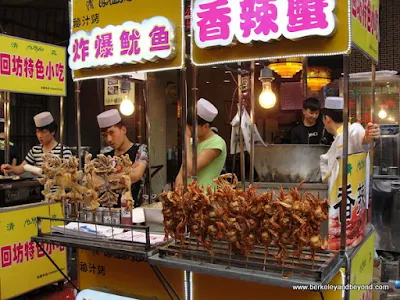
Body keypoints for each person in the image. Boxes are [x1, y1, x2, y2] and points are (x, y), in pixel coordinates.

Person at [320, 97, 380, 182]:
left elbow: (358, 136)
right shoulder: (338, 138)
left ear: (327, 118)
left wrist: (368, 137)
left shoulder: (351, 131)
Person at [97, 109, 148, 207]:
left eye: (111, 133)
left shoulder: (140, 149)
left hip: (131, 209)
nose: (109, 139)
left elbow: (136, 175)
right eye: (105, 135)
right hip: (105, 210)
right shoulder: (104, 153)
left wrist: (106, 180)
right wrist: (126, 174)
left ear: (123, 130)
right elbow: (95, 181)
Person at [175, 98, 227, 189]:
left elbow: (191, 170)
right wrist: (178, 193)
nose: (189, 131)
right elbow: (182, 172)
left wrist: (186, 139)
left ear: (206, 127)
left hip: (206, 198)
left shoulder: (217, 143)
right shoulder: (192, 141)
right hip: (188, 197)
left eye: (191, 129)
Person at [1, 112, 72, 175]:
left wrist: (44, 170)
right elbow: (21, 168)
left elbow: (67, 173)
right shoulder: (35, 150)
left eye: (43, 132)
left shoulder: (64, 150)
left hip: (59, 189)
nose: (40, 136)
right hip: (40, 189)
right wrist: (11, 169)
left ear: (53, 131)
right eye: (38, 132)